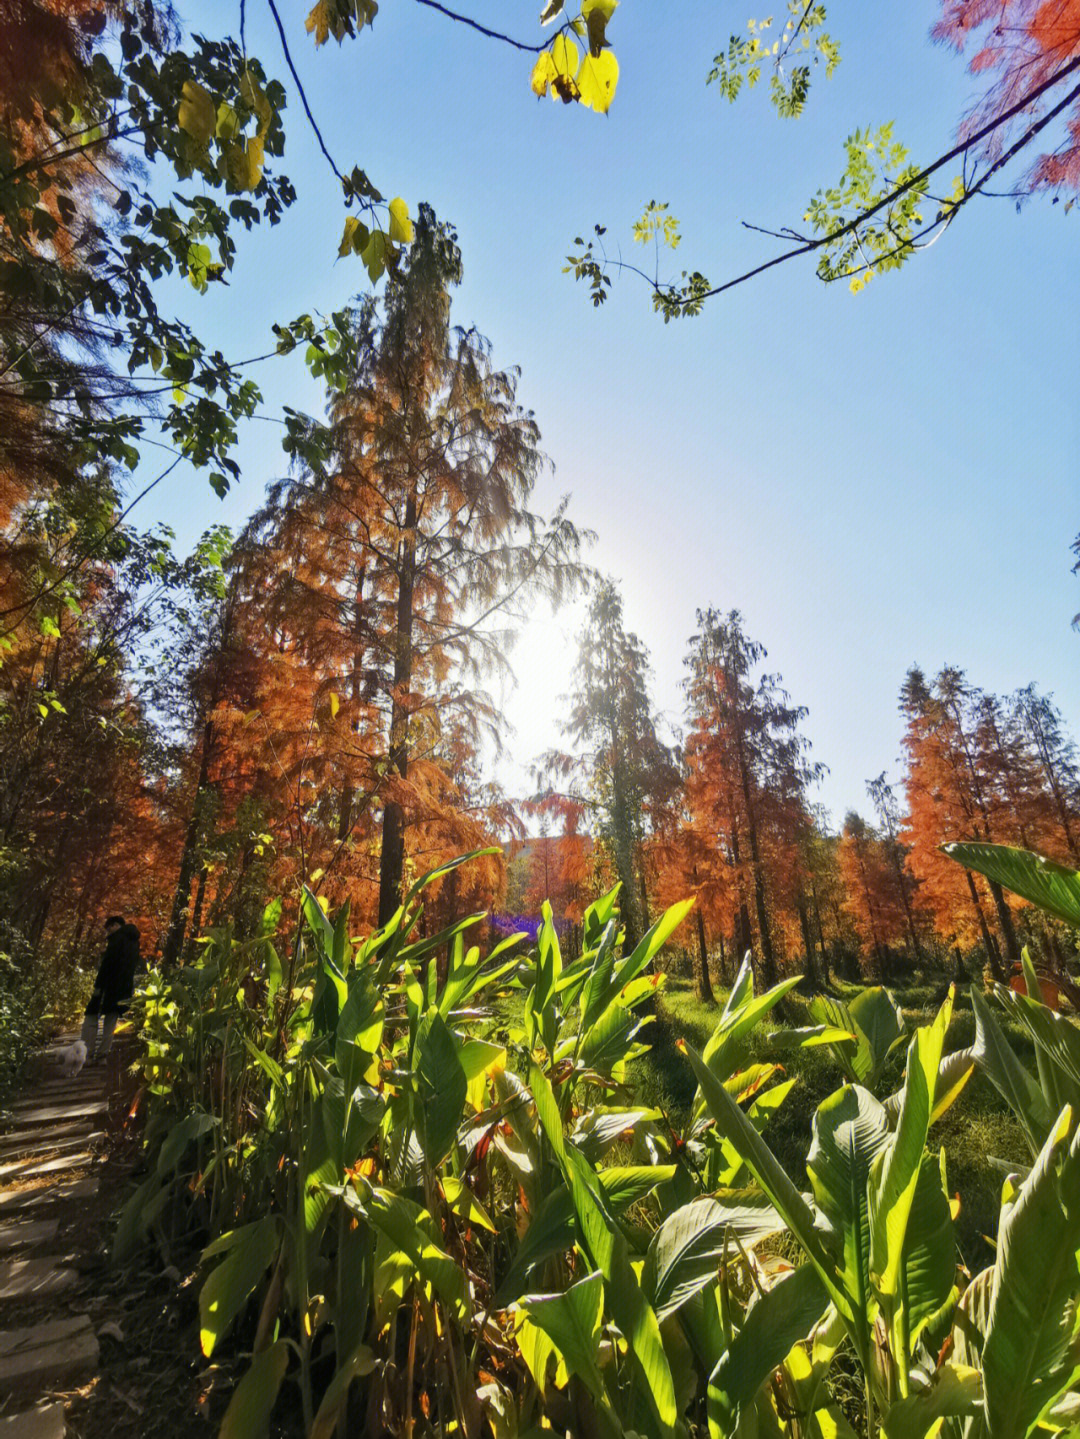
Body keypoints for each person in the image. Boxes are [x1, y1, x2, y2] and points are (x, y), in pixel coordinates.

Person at [81, 913, 140, 1062]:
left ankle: (86, 1054)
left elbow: (107, 965)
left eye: (109, 929)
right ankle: (102, 1055)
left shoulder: (117, 939)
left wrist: (98, 986)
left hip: (108, 986)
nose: (108, 932)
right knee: (111, 1020)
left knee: (91, 1017)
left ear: (115, 925)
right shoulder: (134, 942)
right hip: (123, 988)